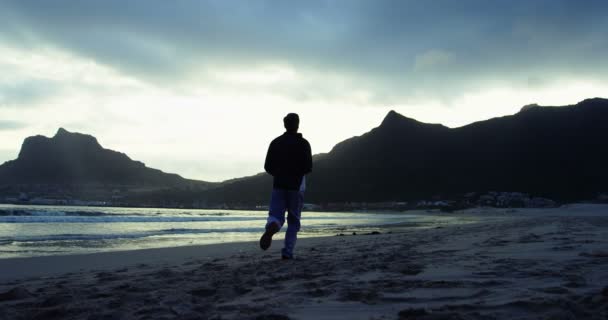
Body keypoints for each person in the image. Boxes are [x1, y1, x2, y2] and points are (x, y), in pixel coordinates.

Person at [259, 113, 312, 259]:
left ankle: (271, 229)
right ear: (297, 124)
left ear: (284, 124)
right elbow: (308, 167)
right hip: (297, 186)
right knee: (293, 220)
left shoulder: (275, 142)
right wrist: (296, 173)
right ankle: (287, 252)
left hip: (279, 185)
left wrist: (279, 174)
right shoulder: (304, 144)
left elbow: (267, 166)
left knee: (276, 215)